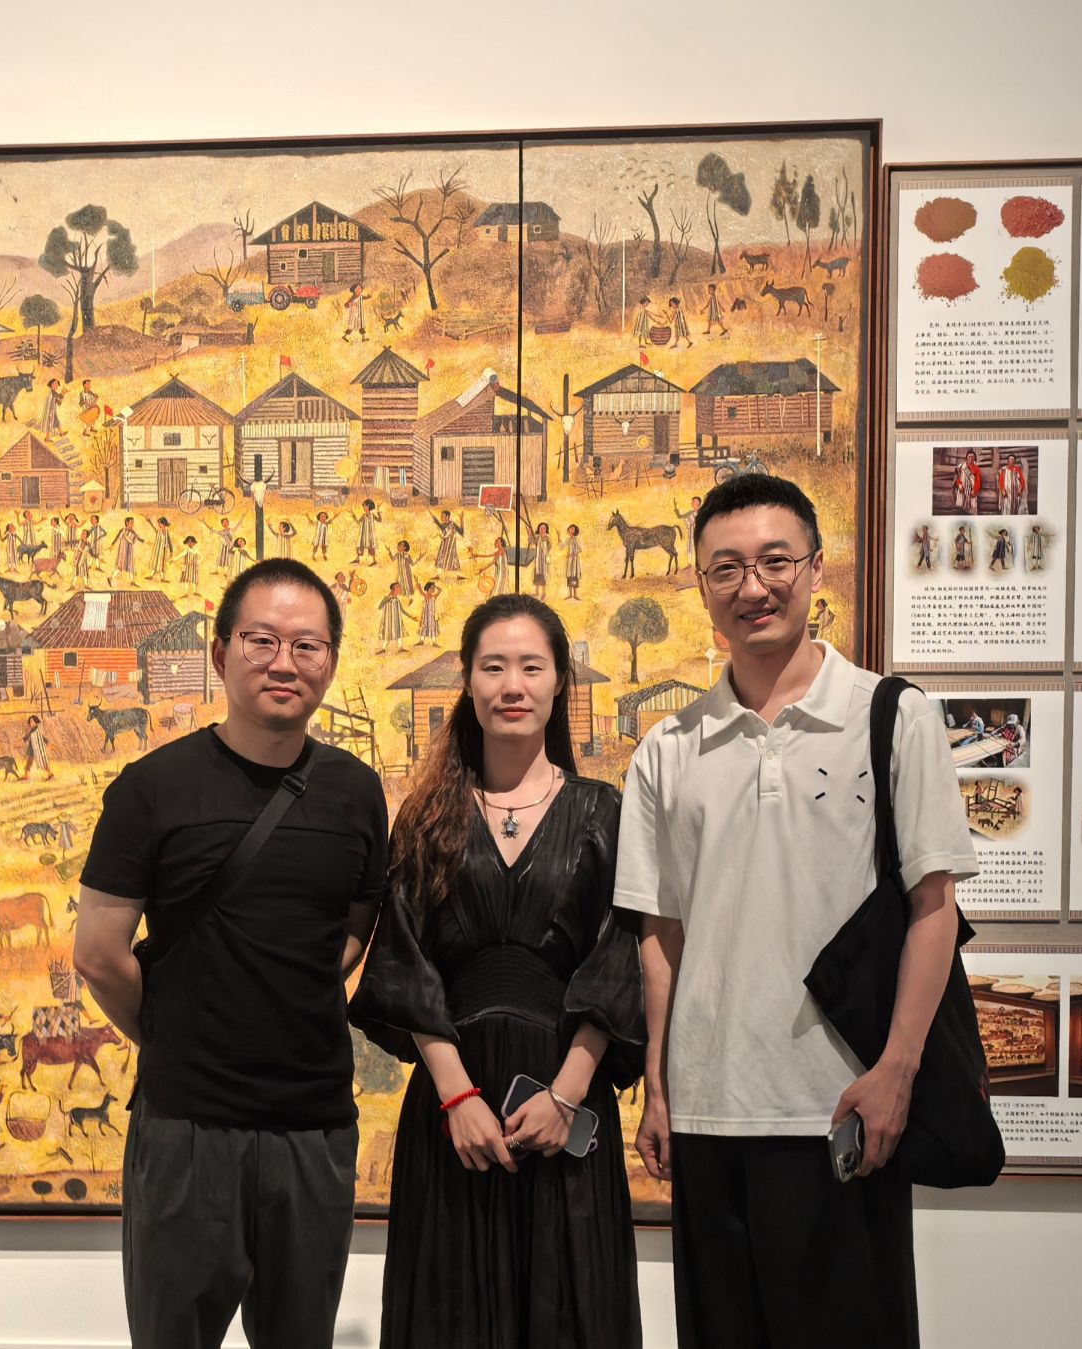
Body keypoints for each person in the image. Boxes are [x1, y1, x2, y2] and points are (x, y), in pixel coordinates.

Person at [617, 474, 979, 1348]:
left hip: (841, 1105)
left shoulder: (892, 715)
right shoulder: (668, 746)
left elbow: (933, 907)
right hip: (708, 1115)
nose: (753, 586)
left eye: (775, 561)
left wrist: (896, 1071)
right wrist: (659, 1087)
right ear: (701, 584)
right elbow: (661, 935)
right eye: (726, 568)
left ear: (816, 569)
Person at [73, 558, 389, 1349]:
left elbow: (351, 932)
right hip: (187, 1127)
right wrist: (173, 1035)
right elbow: (99, 954)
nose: (285, 662)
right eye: (262, 640)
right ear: (220, 653)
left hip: (313, 1128)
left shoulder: (356, 791)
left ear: (330, 662)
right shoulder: (151, 788)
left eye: (307, 645)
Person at [350, 594, 644, 1348]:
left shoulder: (604, 813)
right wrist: (458, 1099)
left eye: (532, 667)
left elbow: (618, 964)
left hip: (566, 1100)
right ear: (468, 680)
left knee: (570, 1309)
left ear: (559, 682)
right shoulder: (426, 817)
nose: (513, 685)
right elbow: (405, 966)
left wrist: (565, 1098)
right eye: (493, 667)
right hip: (454, 1109)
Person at [24, 714, 52, 781]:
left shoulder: (35, 730)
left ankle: (27, 778)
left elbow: (41, 737)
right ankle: (27, 777)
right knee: (29, 764)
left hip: (34, 749)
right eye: (30, 721)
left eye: (32, 721)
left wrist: (48, 743)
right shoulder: (33, 730)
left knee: (30, 765)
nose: (31, 723)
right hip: (32, 749)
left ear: (36, 722)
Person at [564, 523, 584, 600]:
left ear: (575, 531)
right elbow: (562, 546)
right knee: (569, 576)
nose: (571, 530)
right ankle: (570, 594)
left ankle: (575, 595)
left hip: (575, 561)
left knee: (574, 576)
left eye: (573, 529)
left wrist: (573, 554)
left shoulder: (576, 539)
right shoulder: (568, 540)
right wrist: (558, 537)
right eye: (570, 528)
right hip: (570, 561)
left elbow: (580, 549)